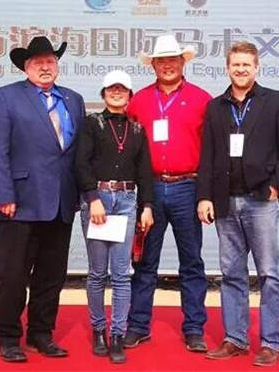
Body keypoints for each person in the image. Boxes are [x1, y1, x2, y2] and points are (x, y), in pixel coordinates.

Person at [196, 41, 279, 366]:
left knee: (269, 273)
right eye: (235, 64)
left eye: (246, 65)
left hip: (261, 202)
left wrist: (276, 187)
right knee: (231, 273)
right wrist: (204, 196)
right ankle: (235, 339)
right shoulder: (215, 107)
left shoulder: (276, 101)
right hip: (225, 202)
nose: (240, 70)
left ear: (256, 67)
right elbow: (207, 156)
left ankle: (270, 342)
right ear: (227, 68)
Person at [0, 36, 85, 362]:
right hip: (20, 202)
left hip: (61, 202)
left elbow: (78, 153)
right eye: (38, 62)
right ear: (26, 67)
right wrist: (4, 194)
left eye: (50, 61)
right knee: (13, 275)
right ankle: (8, 337)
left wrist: (83, 194)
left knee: (51, 276)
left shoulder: (73, 99)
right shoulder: (7, 96)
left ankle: (41, 333)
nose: (45, 67)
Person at [124, 34, 212, 352]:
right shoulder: (139, 101)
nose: (167, 66)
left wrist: (206, 193)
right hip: (149, 190)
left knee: (191, 262)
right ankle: (137, 325)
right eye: (161, 61)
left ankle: (194, 329)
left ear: (182, 62)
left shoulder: (203, 99)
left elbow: (211, 151)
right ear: (154, 65)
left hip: (188, 187)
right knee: (144, 261)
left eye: (173, 59)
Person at [75, 70, 154, 363]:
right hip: (98, 200)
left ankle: (118, 333)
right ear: (104, 93)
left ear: (130, 95)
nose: (117, 92)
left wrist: (147, 206)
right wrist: (92, 198)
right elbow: (81, 163)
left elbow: (145, 171)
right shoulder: (91, 123)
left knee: (122, 274)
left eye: (122, 89)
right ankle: (98, 330)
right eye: (111, 88)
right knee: (98, 273)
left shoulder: (137, 130)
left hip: (127, 202)